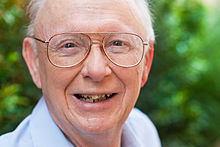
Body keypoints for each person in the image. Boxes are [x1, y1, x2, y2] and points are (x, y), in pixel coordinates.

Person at [0, 0, 161, 146]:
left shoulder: (143, 132)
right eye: (69, 45)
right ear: (35, 62)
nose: (96, 70)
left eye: (117, 43)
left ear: (146, 61)